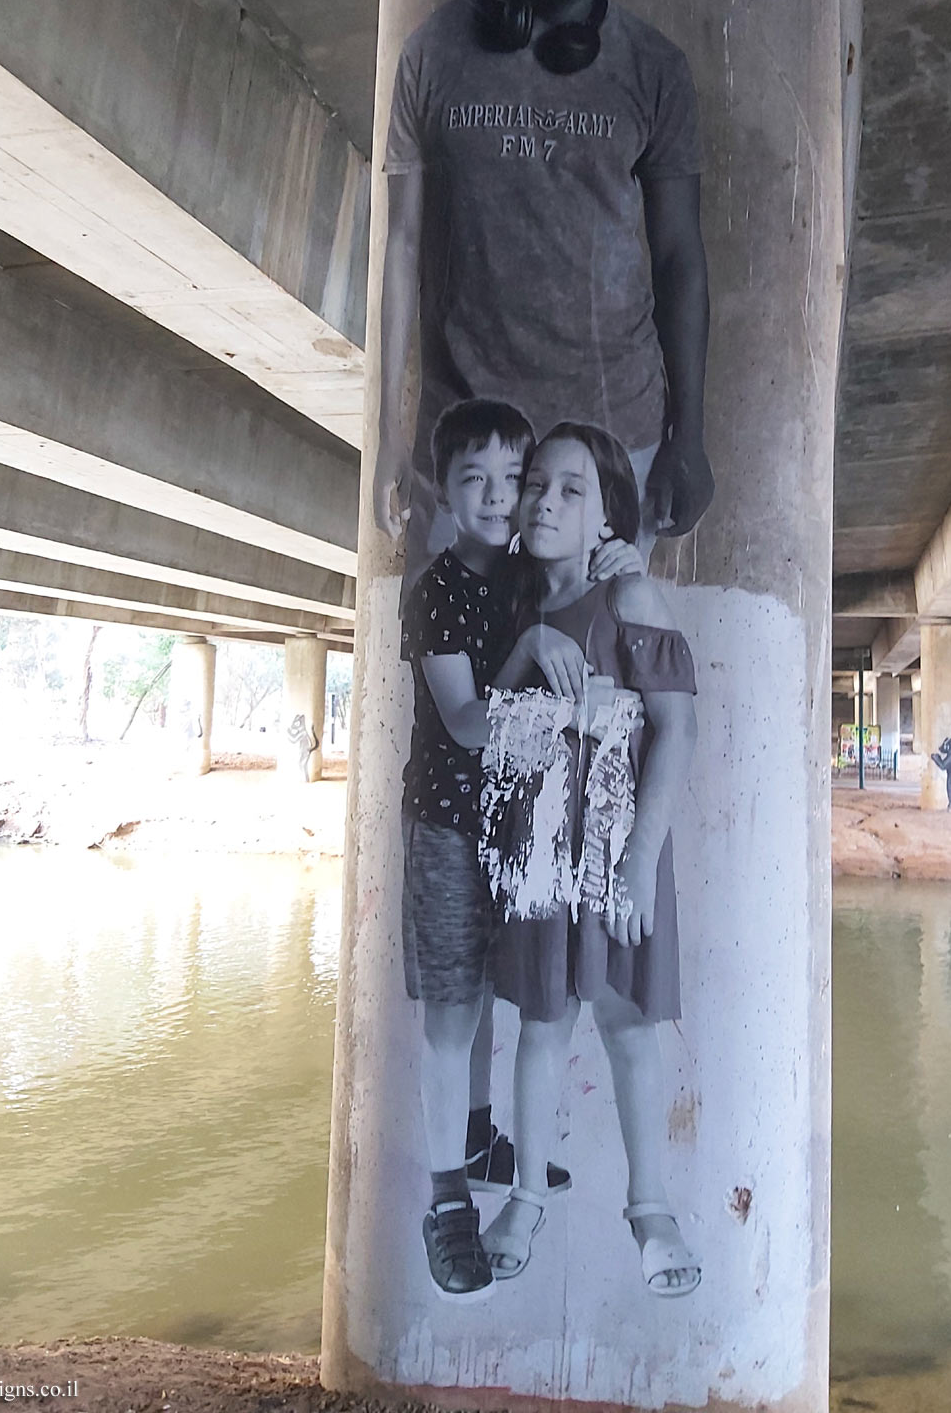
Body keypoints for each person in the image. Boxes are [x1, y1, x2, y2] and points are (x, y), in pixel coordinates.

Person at [374, 0, 713, 570]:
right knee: (457, 672)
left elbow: (680, 257)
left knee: (595, 676)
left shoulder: (655, 70)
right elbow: (401, 246)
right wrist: (387, 437)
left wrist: (690, 435)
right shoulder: (435, 51)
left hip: (616, 428)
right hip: (465, 433)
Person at [400, 398, 640, 1300]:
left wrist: (623, 559)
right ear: (446, 492)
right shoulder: (439, 593)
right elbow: (465, 725)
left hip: (517, 827)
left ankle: (479, 1133)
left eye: (517, 479)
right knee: (454, 1014)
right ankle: (447, 1201)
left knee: (499, 997)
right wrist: (529, 646)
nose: (503, 499)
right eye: (478, 481)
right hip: (451, 828)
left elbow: (581, 585)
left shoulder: (516, 572)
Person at [477, 423, 701, 1298]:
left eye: (572, 489)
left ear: (608, 511)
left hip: (616, 849)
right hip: (539, 851)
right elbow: (484, 727)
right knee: (539, 1025)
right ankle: (528, 1199)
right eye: (537, 483)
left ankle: (651, 1210)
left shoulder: (633, 598)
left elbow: (677, 731)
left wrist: (640, 862)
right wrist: (530, 646)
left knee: (627, 1025)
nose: (544, 501)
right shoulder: (519, 610)